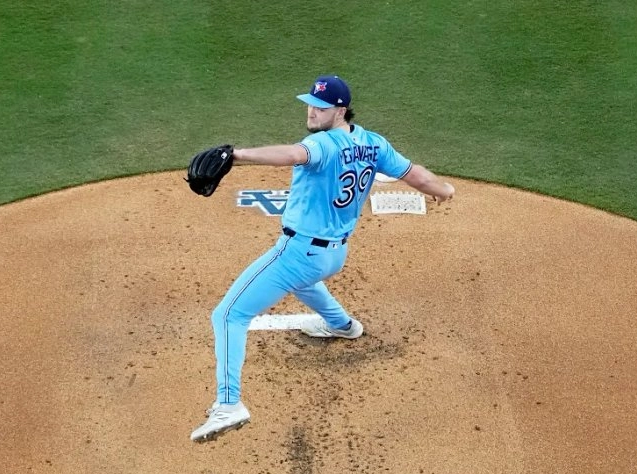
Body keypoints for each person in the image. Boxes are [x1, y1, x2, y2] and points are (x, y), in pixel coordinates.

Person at [191, 75, 455, 443]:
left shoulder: (322, 144)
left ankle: (228, 404)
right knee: (305, 282)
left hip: (299, 253)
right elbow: (417, 176)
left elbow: (292, 154)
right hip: (333, 255)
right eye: (310, 104)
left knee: (228, 314)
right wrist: (444, 190)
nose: (312, 112)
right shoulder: (373, 143)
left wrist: (238, 155)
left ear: (340, 110)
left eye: (321, 107)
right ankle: (343, 326)